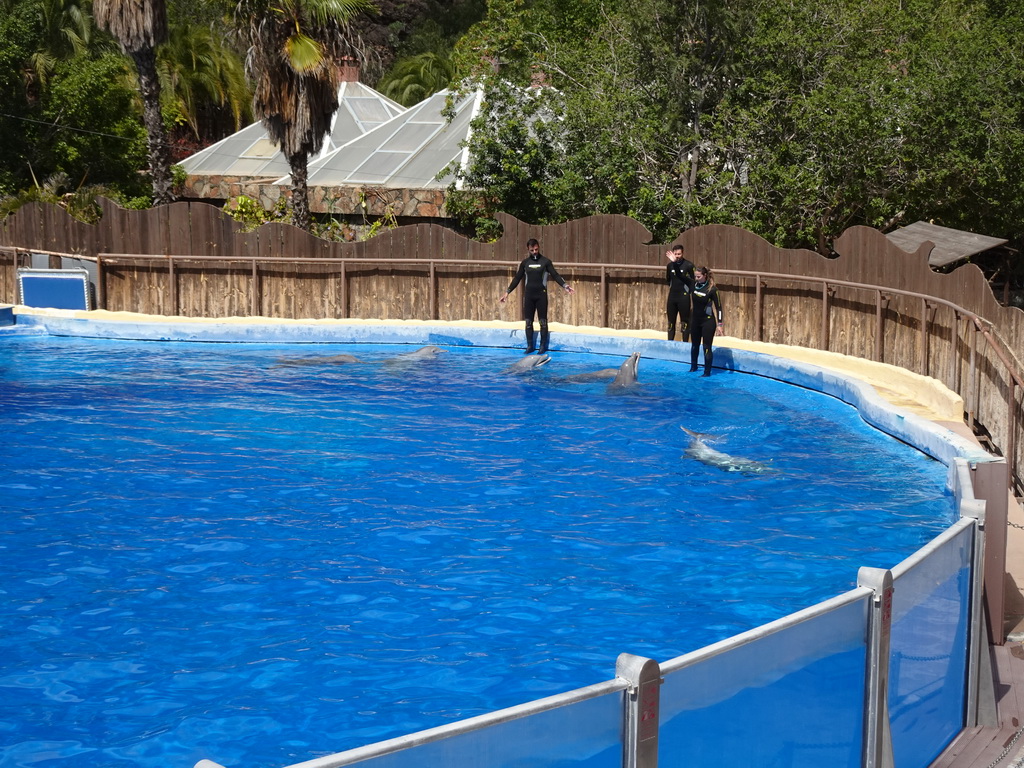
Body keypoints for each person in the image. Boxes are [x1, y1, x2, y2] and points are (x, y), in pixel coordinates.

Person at [500, 238, 575, 354]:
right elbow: (517, 278)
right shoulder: (525, 263)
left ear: (538, 247)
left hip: (541, 296)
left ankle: (542, 347)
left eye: (536, 249)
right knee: (528, 322)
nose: (534, 252)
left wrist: (565, 286)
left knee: (543, 322)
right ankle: (530, 346)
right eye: (532, 250)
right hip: (529, 296)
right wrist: (507, 292)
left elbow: (555, 275)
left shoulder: (546, 262)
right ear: (528, 249)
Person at [689, 266, 723, 377]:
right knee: (694, 345)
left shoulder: (712, 289)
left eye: (698, 276)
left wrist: (720, 324)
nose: (696, 279)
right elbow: (680, 276)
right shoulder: (693, 285)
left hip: (707, 322)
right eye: (695, 276)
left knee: (706, 347)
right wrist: (674, 263)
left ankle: (707, 372)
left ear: (705, 276)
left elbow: (719, 308)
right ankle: (693, 367)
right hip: (695, 321)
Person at [665, 243, 695, 341]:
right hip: (672, 297)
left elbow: (693, 281)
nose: (677, 256)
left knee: (684, 322)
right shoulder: (670, 266)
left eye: (679, 254)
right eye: (675, 254)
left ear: (683, 253)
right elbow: (668, 280)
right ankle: (669, 344)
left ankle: (685, 344)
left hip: (684, 298)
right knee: (670, 322)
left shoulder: (689, 265)